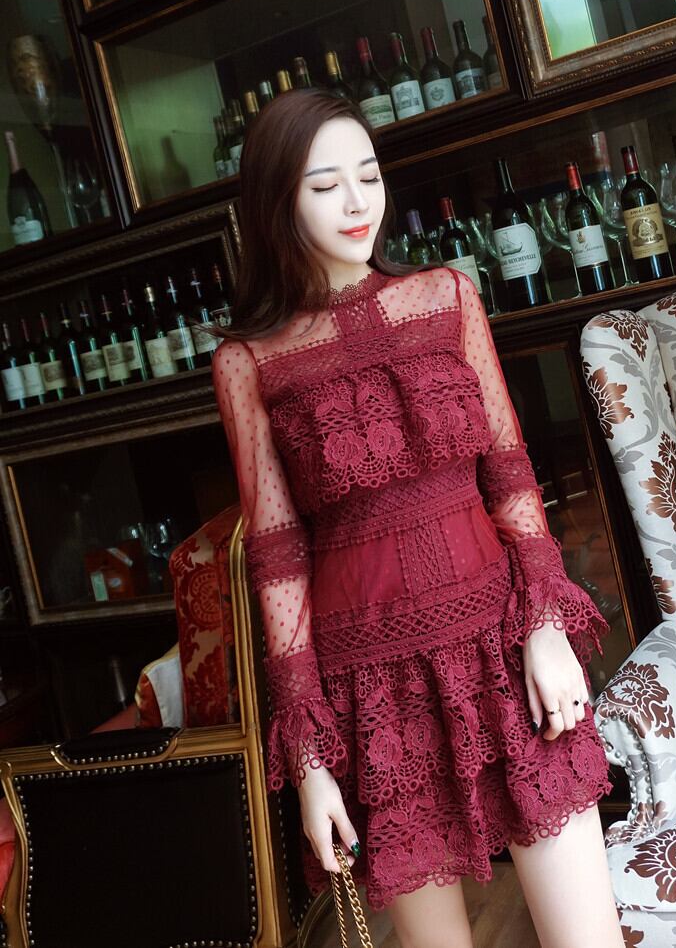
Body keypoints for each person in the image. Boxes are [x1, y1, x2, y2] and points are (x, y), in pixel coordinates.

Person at [212, 88, 625, 948]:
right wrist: (312, 763)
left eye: (368, 176)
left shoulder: (446, 298)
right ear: (276, 201)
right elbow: (278, 556)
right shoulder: (249, 360)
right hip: (375, 689)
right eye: (325, 185)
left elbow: (508, 471)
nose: (356, 202)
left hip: (500, 648)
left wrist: (545, 627)